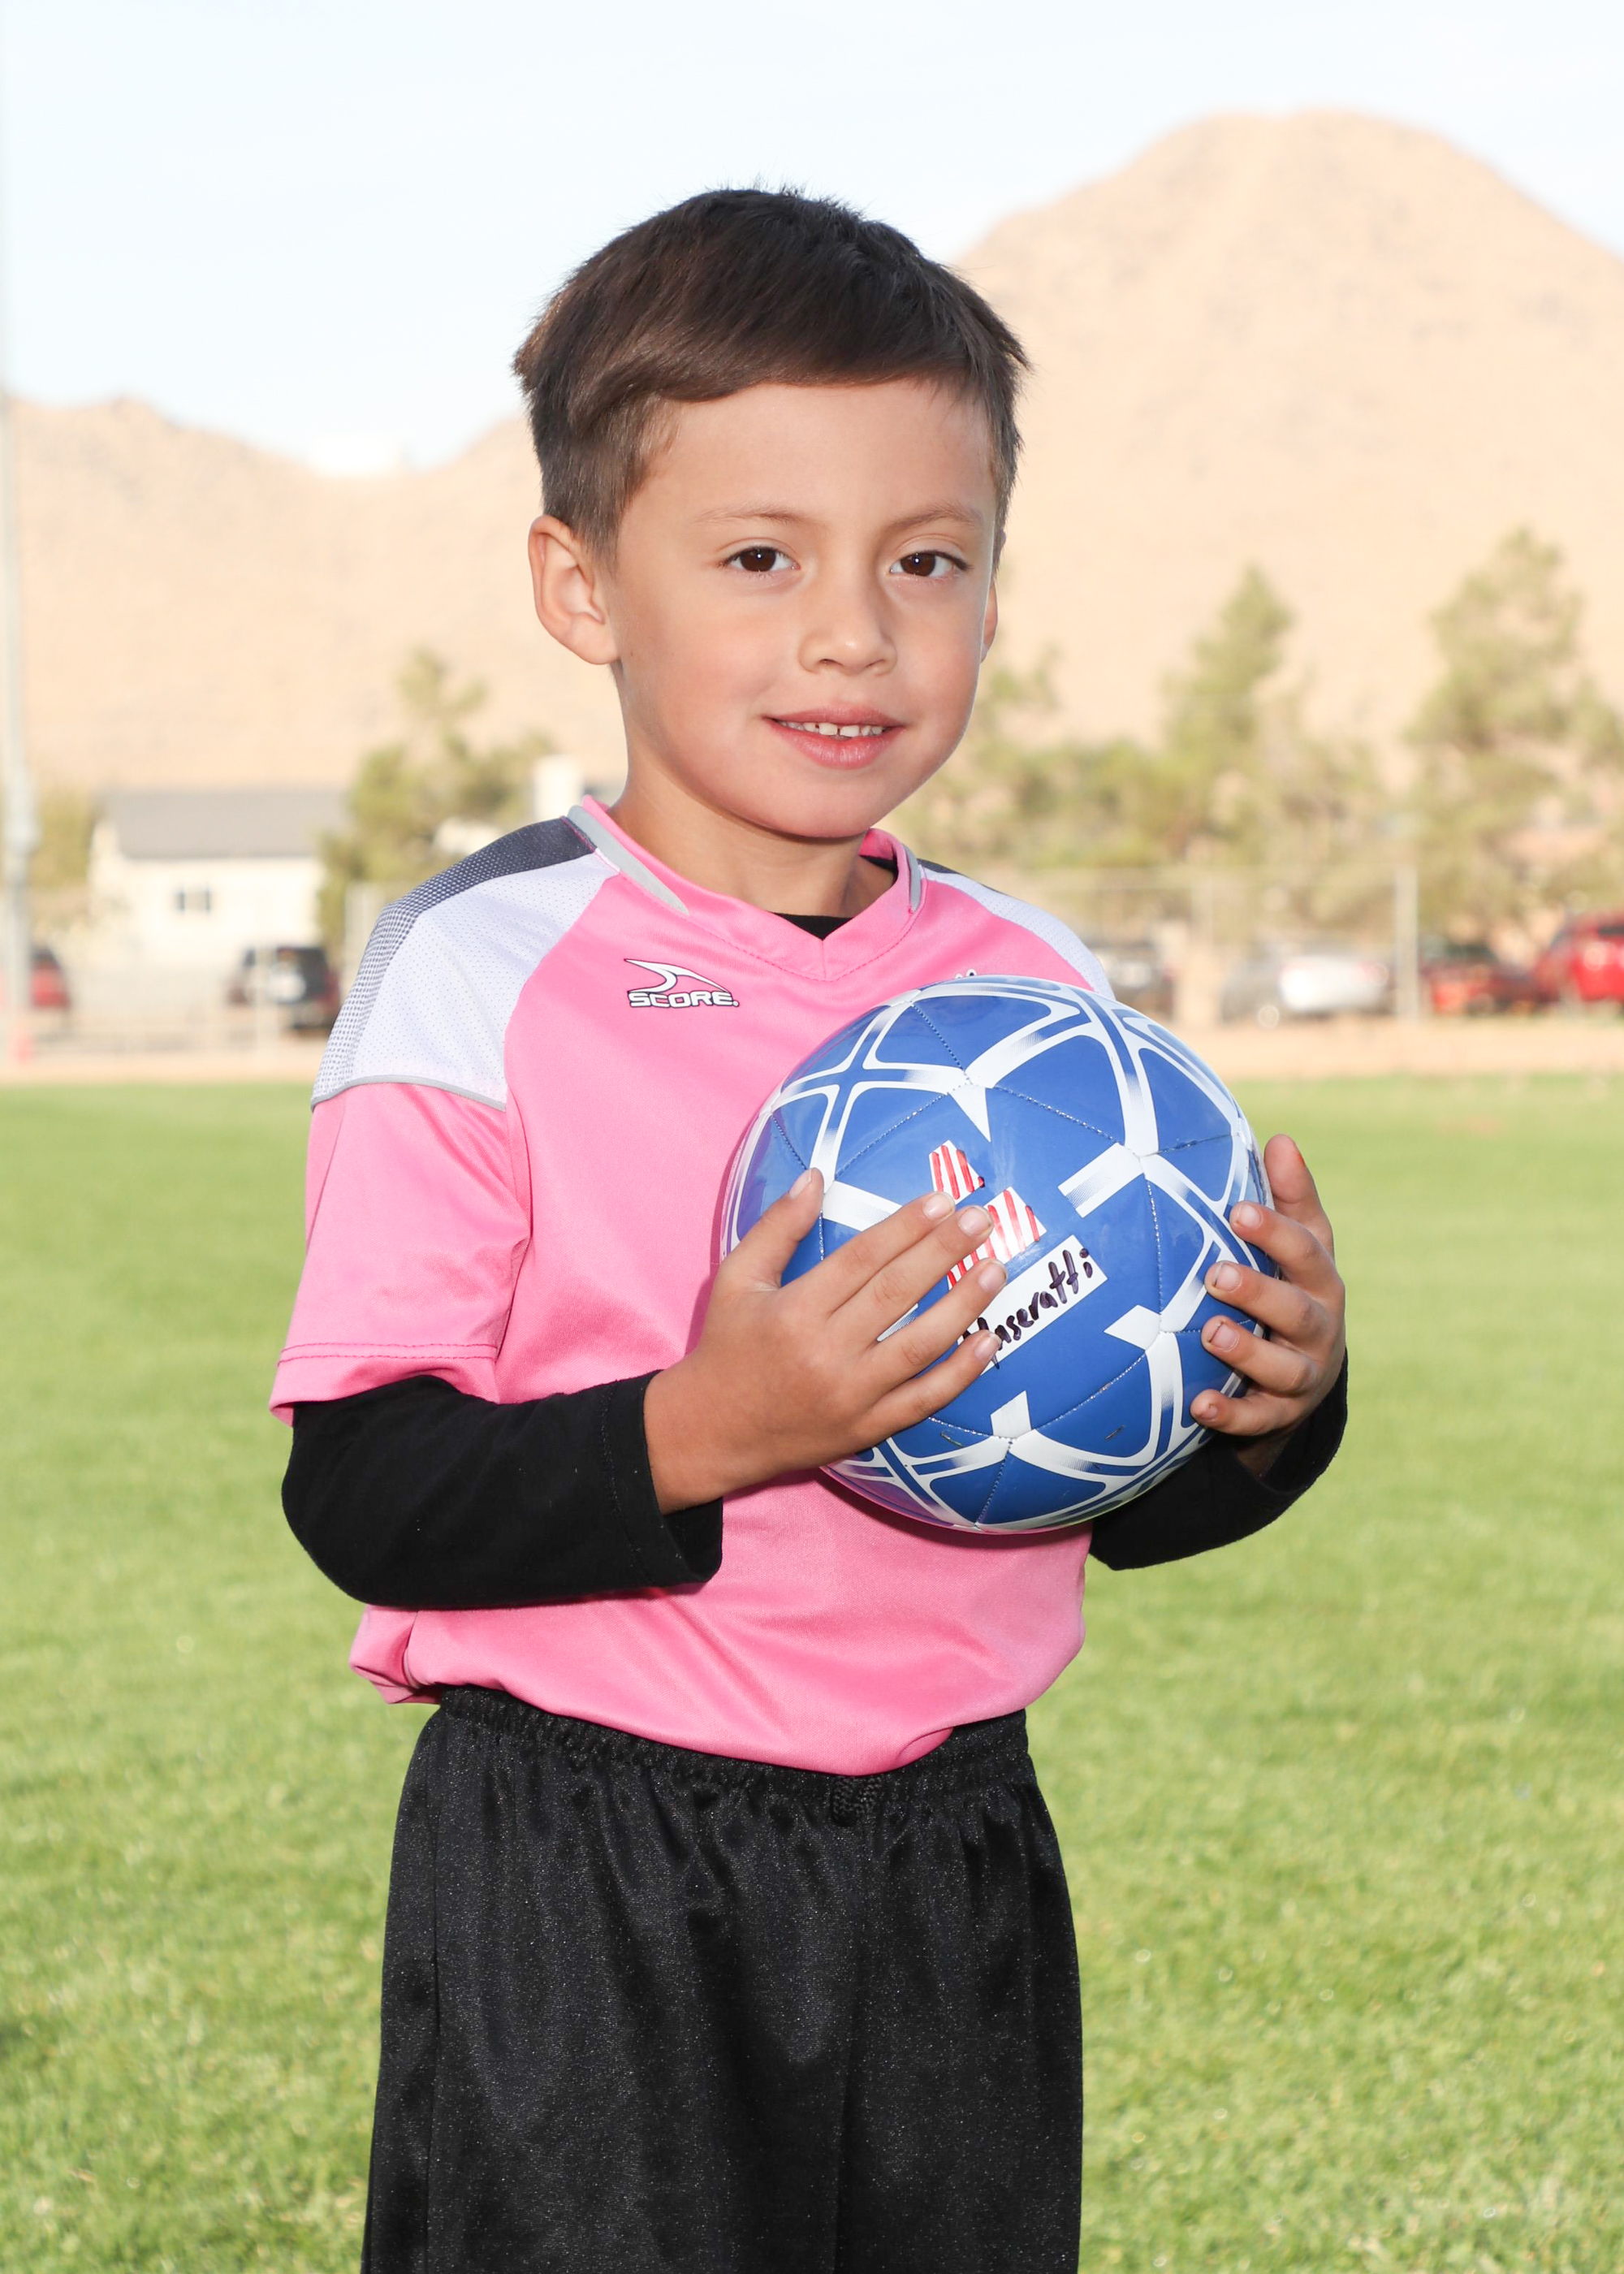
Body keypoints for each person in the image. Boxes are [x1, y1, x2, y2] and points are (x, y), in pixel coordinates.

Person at [274, 188, 1348, 2274]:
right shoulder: (482, 968)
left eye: (924, 560)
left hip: (955, 1847)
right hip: (592, 1853)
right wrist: (708, 1425)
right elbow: (367, 1482)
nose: (854, 629)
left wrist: (1272, 1398)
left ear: (994, 592)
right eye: (760, 558)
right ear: (581, 585)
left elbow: (1132, 1500)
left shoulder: (1036, 993)